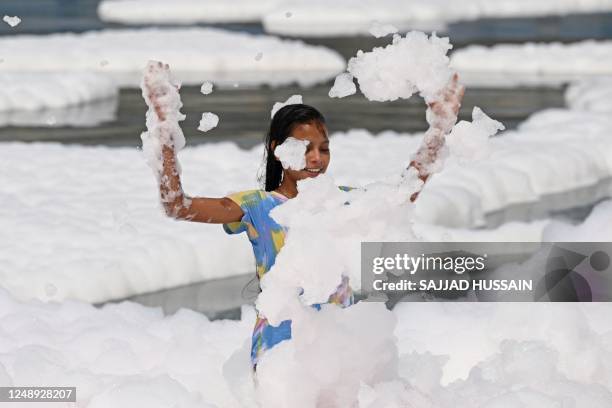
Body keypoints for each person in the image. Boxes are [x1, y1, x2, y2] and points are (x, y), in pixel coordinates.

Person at [153, 76, 464, 371]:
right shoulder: (258, 207)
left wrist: (438, 130)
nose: (317, 158)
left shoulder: (345, 202)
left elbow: (403, 194)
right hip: (281, 357)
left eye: (324, 148)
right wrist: (166, 134)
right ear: (278, 149)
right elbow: (178, 206)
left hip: (341, 351)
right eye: (306, 148)